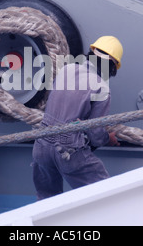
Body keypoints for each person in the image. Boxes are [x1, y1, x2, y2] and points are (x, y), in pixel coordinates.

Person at [32, 35, 123, 200]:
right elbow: (95, 134)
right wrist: (107, 139)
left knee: (46, 198)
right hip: (69, 149)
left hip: (41, 142)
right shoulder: (101, 88)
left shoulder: (67, 69)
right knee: (104, 194)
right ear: (113, 67)